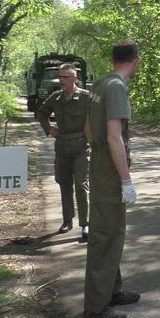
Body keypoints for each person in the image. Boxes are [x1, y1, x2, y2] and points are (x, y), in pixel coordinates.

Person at [82, 40, 142, 318]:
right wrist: (126, 179)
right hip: (109, 170)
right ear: (136, 62)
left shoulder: (101, 83)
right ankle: (96, 307)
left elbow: (87, 127)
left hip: (100, 163)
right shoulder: (116, 87)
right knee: (106, 235)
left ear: (113, 59)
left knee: (111, 232)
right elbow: (114, 136)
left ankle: (111, 290)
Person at [36, 63, 91, 240]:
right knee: (64, 184)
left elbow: (99, 116)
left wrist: (94, 137)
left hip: (82, 146)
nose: (61, 80)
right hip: (62, 147)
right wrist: (49, 129)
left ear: (74, 78)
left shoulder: (86, 97)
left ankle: (86, 223)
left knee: (81, 185)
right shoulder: (56, 98)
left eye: (65, 77)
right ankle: (67, 220)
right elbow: (41, 113)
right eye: (60, 77)